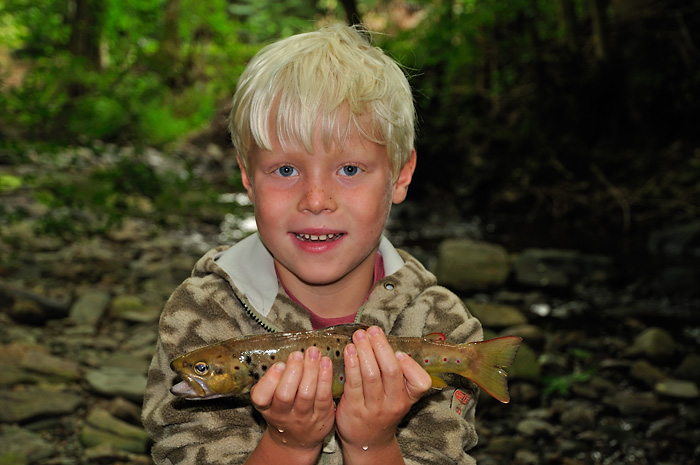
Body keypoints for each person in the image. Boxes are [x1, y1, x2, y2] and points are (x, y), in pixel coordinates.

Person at [142, 23, 483, 465]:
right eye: (285, 170)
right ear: (248, 177)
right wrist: (288, 444)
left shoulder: (444, 328)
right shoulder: (201, 315)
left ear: (401, 175)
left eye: (349, 170)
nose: (316, 200)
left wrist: (374, 443)